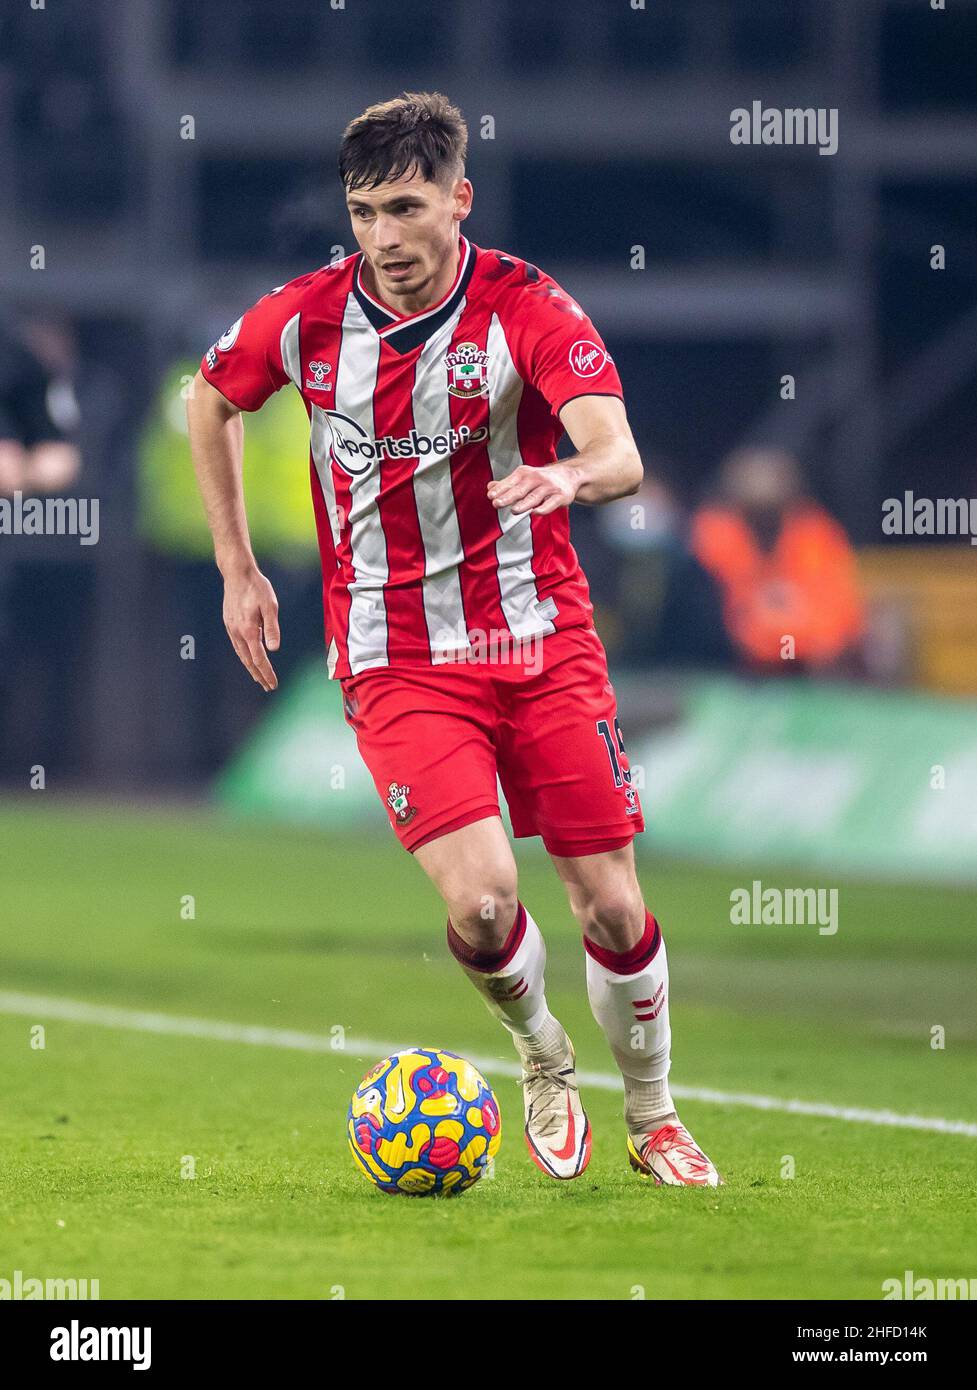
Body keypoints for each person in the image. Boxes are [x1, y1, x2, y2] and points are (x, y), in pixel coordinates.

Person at [186, 92, 721, 1187]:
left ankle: (656, 1111)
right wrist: (236, 567)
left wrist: (568, 472)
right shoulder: (305, 317)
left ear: (457, 200)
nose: (382, 238)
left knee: (612, 904)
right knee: (481, 902)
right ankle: (540, 1056)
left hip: (540, 641)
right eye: (362, 211)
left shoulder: (525, 305)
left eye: (405, 207)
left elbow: (616, 452)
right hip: (395, 656)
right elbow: (211, 397)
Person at [691, 447, 866, 674]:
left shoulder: (815, 535)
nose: (763, 524)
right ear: (735, 507)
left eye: (771, 514)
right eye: (754, 514)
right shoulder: (713, 536)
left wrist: (792, 632)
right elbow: (711, 617)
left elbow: (839, 615)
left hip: (809, 668)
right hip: (730, 667)